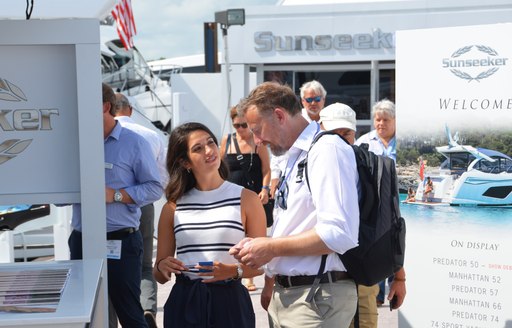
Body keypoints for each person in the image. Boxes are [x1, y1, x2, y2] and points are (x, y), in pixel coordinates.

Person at [230, 82, 360, 328]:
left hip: (316, 298)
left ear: (279, 115)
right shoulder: (296, 155)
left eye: (257, 130)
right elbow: (294, 224)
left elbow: (339, 234)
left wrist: (270, 247)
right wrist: (269, 271)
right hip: (296, 296)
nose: (256, 141)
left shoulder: (326, 150)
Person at [153, 122, 266, 328]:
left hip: (230, 302)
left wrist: (232, 271)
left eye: (211, 142)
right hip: (185, 301)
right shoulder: (172, 207)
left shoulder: (247, 199)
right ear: (185, 162)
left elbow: (260, 266)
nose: (209, 150)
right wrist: (162, 265)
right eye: (198, 148)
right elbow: (160, 275)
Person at [68, 83, 163, 327]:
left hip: (121, 241)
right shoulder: (73, 142)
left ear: (105, 106)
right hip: (83, 241)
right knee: (88, 316)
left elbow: (154, 187)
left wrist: (116, 195)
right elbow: (59, 197)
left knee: (130, 315)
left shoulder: (135, 142)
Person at [319, 102, 380, 328]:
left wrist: (399, 275)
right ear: (321, 128)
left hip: (362, 265)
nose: (340, 140)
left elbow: (386, 216)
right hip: (326, 276)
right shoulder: (310, 163)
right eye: (333, 134)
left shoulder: (367, 164)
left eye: (346, 134)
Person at [114, 93, 168, 327]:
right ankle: (147, 309)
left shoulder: (103, 136)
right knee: (145, 264)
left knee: (111, 264)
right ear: (130, 110)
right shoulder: (151, 135)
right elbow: (163, 177)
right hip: (143, 203)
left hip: (110, 206)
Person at [355, 99, 406, 310]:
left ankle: (397, 282)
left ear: (395, 121)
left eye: (386, 119)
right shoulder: (364, 142)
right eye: (378, 119)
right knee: (378, 243)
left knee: (397, 242)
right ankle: (377, 292)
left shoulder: (404, 143)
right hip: (375, 205)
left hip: (401, 199)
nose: (381, 123)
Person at [220, 106, 271, 292]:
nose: (240, 129)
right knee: (234, 235)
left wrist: (265, 189)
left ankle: (250, 274)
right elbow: (219, 168)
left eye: (244, 125)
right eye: (237, 125)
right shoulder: (227, 140)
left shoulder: (259, 143)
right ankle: (237, 271)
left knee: (253, 237)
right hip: (231, 197)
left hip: (253, 196)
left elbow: (266, 169)